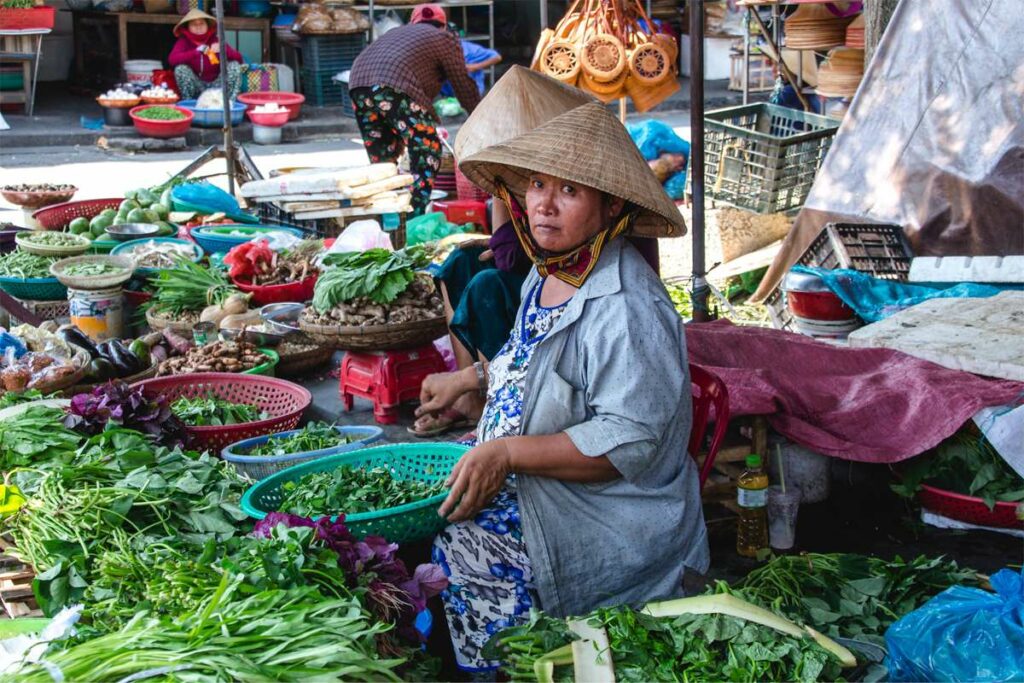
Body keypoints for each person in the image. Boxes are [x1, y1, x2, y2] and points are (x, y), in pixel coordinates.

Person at [423, 101, 705, 672]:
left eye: (570, 191)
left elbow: (627, 443)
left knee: (461, 545)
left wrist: (505, 453)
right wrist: (469, 380)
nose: (544, 205)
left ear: (611, 205)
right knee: (420, 499)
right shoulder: (549, 269)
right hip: (533, 476)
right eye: (537, 184)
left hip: (605, 517)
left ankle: (506, 669)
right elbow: (529, 362)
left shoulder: (627, 306)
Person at [410, 67, 594, 437]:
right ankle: (472, 398)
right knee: (459, 263)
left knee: (487, 286)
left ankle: (488, 396)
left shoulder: (580, 164)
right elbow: (510, 247)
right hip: (542, 271)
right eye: (536, 185)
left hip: (574, 284)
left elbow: (509, 255)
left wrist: (505, 228)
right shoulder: (529, 176)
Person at [348, 3, 481, 214]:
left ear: (414, 21)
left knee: (383, 159)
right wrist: (480, 114)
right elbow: (462, 82)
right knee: (427, 149)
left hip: (358, 85)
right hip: (393, 85)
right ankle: (413, 214)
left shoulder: (399, 32)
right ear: (443, 24)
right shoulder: (444, 37)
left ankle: (387, 215)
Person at [168, 9, 244, 101]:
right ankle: (188, 102)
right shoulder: (184, 42)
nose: (198, 27)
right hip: (197, 85)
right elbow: (172, 59)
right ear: (188, 27)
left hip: (218, 85)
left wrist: (223, 50)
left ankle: (230, 103)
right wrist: (195, 52)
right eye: (194, 24)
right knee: (181, 69)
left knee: (234, 66)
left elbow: (239, 59)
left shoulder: (215, 40)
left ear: (207, 25)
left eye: (202, 23)